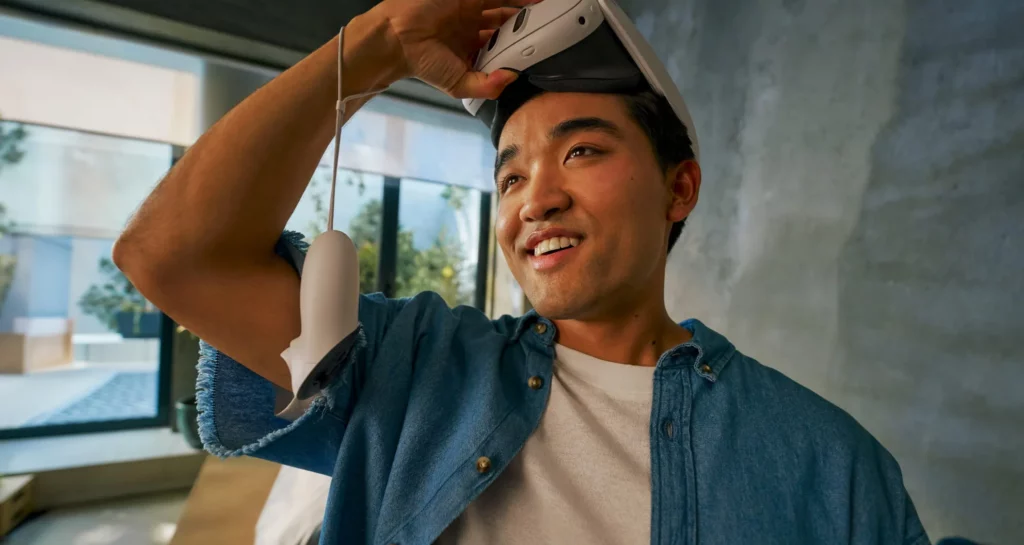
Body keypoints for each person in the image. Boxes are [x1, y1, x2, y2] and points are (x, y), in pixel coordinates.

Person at [113, 0, 931, 543]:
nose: (533, 200)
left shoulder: (830, 464)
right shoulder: (417, 365)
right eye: (508, 176)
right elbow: (173, 256)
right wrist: (375, 46)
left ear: (679, 188)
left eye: (581, 150)